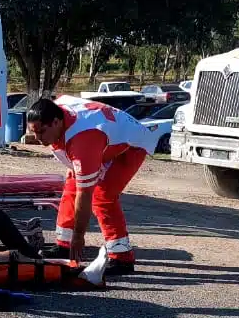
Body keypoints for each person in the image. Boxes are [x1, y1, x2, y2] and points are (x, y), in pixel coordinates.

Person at [24, 96, 157, 274]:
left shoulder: (83, 141)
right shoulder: (55, 113)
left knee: (102, 196)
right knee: (71, 185)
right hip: (104, 137)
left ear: (56, 122)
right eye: (34, 131)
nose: (37, 138)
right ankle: (64, 245)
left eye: (41, 132)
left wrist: (79, 236)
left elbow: (85, 194)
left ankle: (122, 257)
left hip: (130, 146)